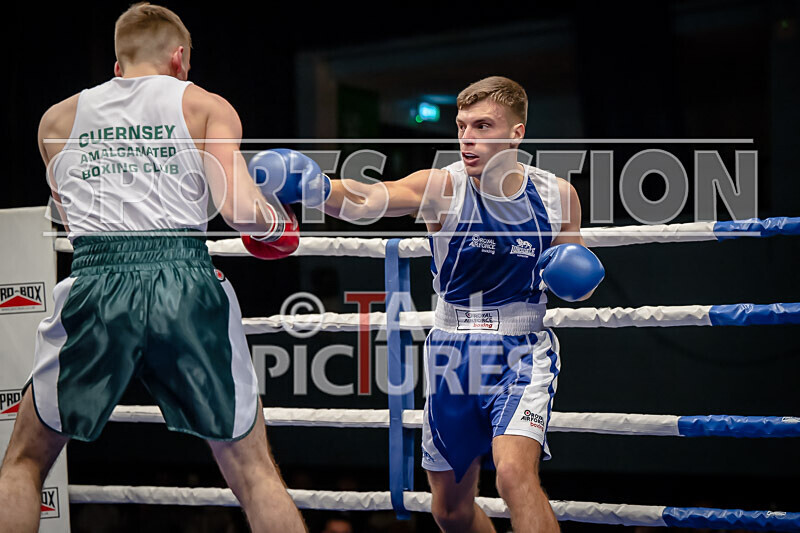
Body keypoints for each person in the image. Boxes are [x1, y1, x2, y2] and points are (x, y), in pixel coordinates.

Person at [0, 3, 306, 532]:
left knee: (24, 464)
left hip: (95, 281)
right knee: (255, 473)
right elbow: (237, 211)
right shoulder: (205, 105)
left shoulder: (56, 118)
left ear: (118, 64)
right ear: (179, 57)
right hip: (184, 281)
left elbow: (71, 218)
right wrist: (278, 223)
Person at [251, 76, 604, 533]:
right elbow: (370, 199)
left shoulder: (559, 196)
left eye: (483, 126)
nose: (468, 138)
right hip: (452, 354)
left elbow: (577, 282)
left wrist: (580, 277)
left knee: (515, 475)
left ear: (516, 133)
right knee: (450, 511)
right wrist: (317, 187)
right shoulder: (442, 186)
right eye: (461, 126)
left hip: (522, 350)